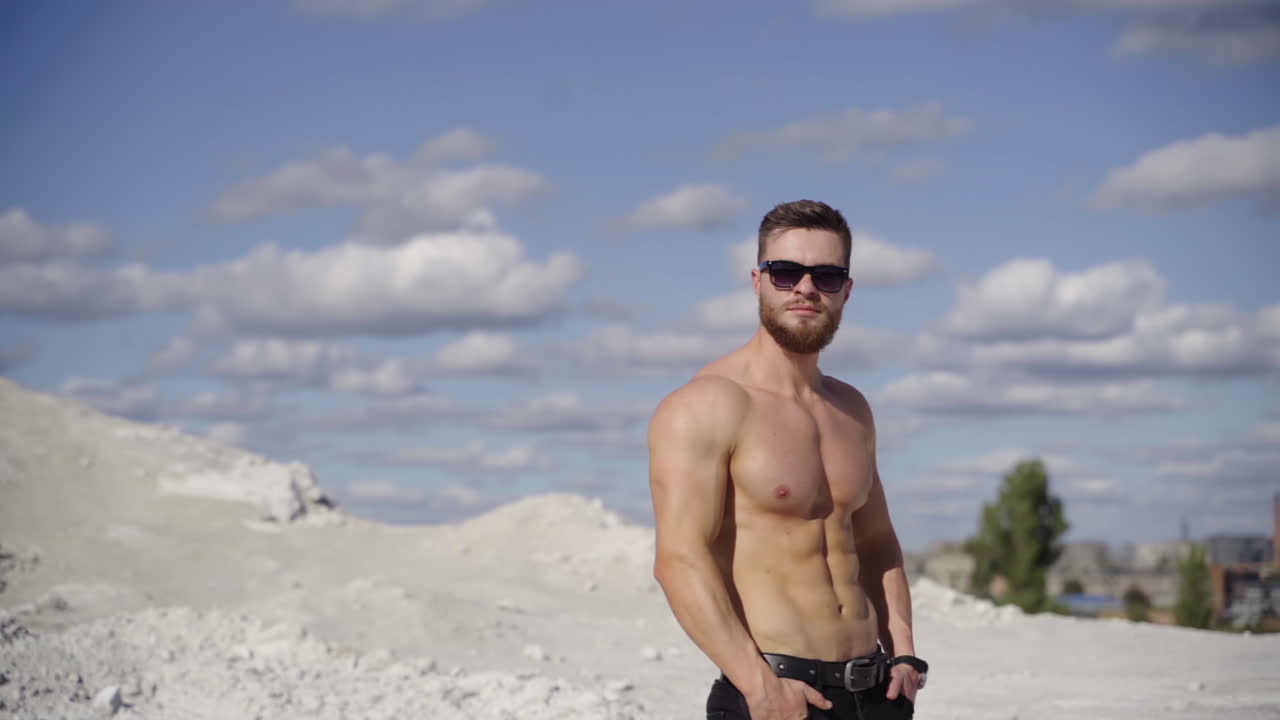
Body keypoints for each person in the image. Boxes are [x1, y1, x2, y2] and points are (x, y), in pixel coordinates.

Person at [648, 200, 925, 720]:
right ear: (758, 281)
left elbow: (876, 541)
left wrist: (905, 651)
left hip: (878, 694)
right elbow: (679, 559)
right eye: (786, 272)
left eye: (825, 274)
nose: (805, 288)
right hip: (779, 695)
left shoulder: (851, 408)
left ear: (846, 289)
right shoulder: (708, 404)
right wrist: (759, 688)